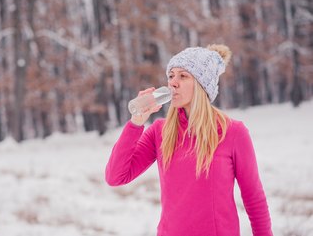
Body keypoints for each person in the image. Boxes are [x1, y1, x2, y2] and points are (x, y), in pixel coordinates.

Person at [105, 44, 273, 236]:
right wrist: (136, 123)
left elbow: (254, 199)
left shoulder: (232, 132)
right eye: (171, 76)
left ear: (202, 85)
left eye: (183, 76)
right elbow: (115, 177)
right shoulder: (160, 131)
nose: (173, 83)